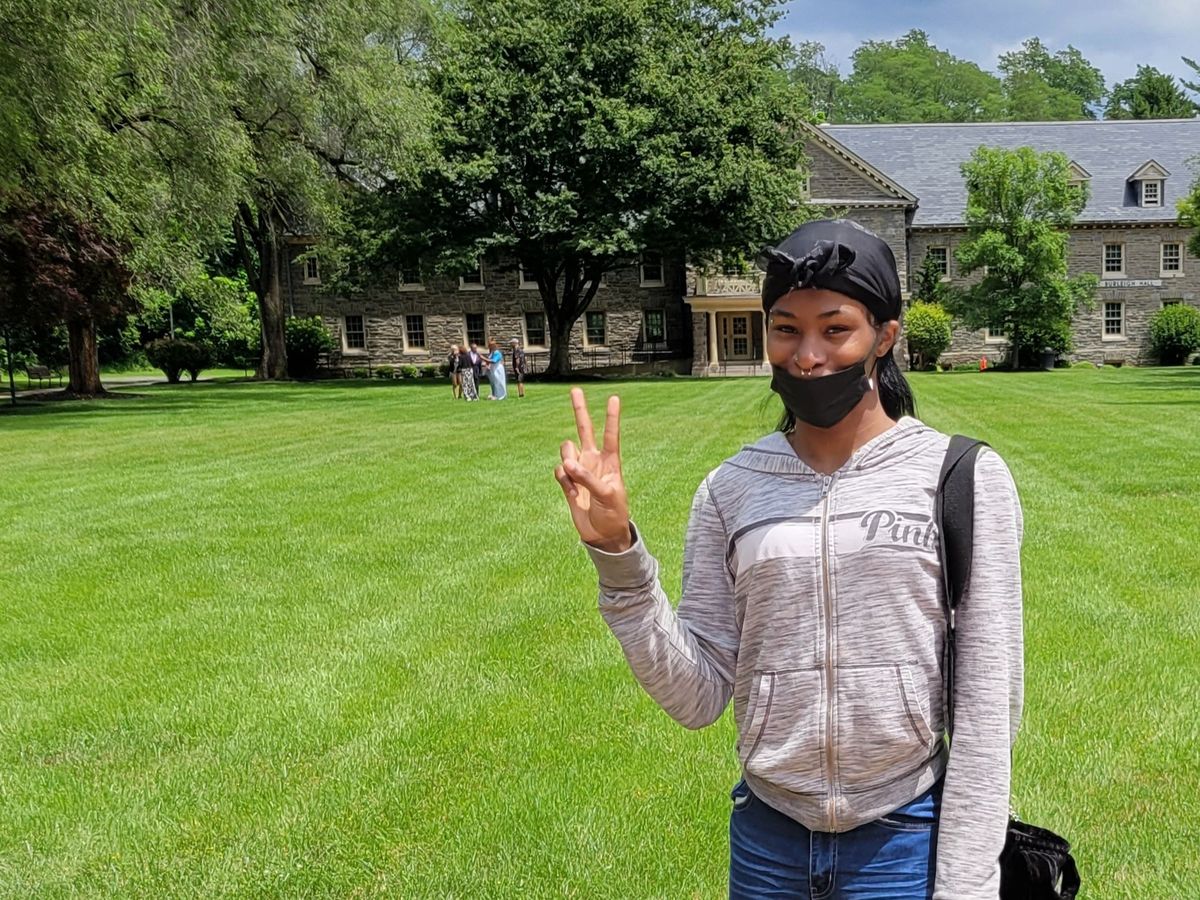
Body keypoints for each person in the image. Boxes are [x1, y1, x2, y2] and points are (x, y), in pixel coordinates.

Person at [553, 219, 1024, 900]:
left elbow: (986, 705)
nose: (807, 356)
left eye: (836, 329)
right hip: (768, 843)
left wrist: (968, 885)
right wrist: (617, 554)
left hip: (905, 839)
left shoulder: (960, 478)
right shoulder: (730, 489)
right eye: (786, 329)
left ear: (884, 336)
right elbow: (698, 696)